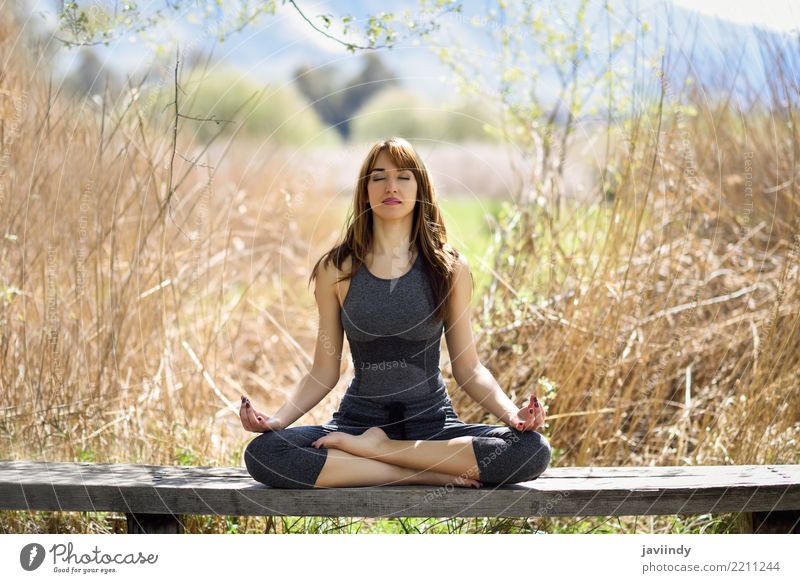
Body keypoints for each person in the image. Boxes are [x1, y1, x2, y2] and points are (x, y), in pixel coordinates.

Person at [241, 137, 551, 489]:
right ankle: (413, 470)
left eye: (403, 176)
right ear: (365, 190)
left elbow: (468, 368)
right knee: (265, 454)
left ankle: (381, 452)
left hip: (433, 428)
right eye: (378, 177)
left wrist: (513, 414)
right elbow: (324, 371)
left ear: (420, 187)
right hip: (356, 426)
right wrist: (278, 420)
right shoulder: (336, 269)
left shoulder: (448, 268)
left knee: (530, 450)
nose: (391, 186)